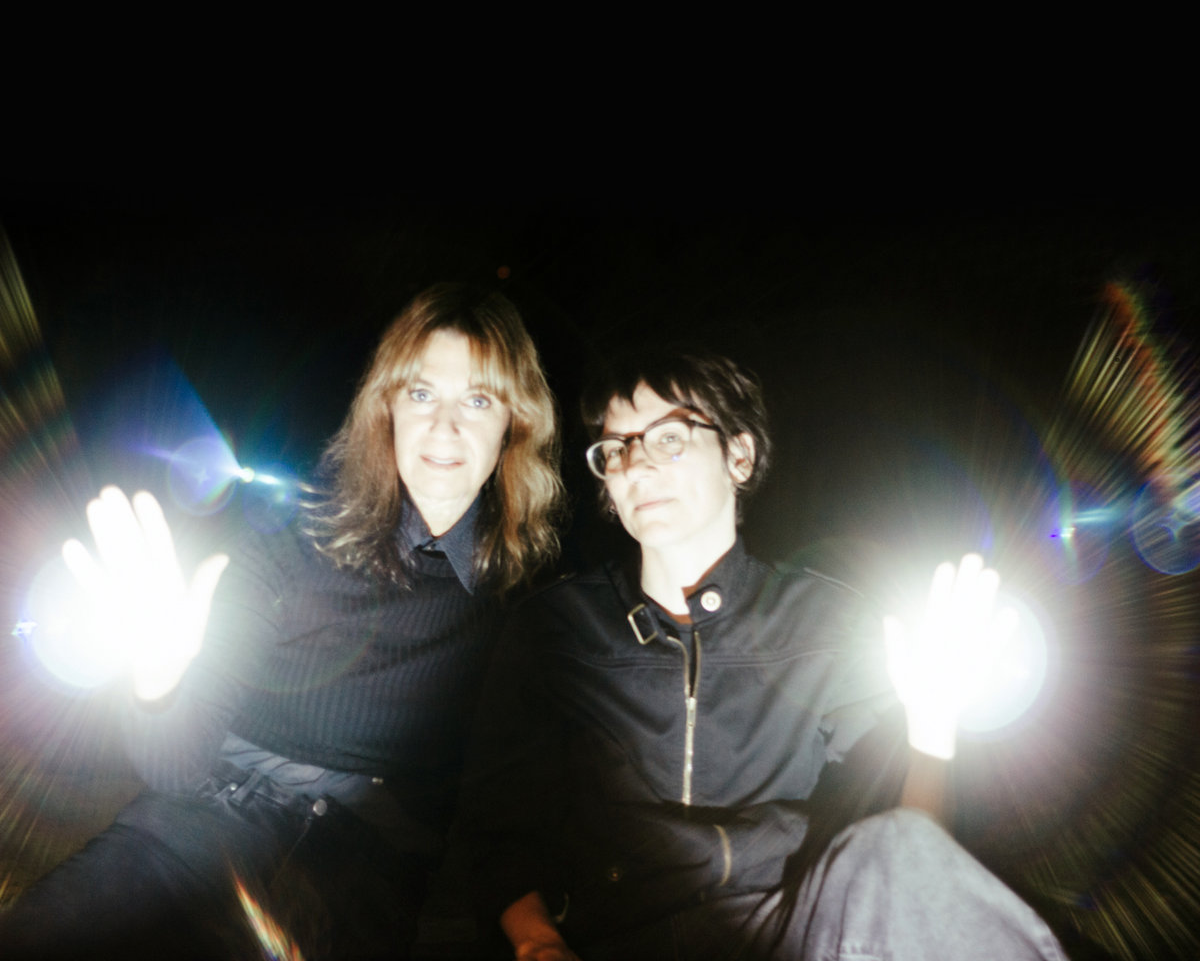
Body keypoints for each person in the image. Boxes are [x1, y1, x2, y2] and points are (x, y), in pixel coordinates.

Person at [0, 283, 563, 961]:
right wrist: (160, 684)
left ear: (513, 423)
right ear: (386, 408)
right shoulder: (291, 537)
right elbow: (175, 769)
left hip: (364, 867)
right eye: (421, 393)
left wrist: (532, 931)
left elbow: (506, 791)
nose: (445, 426)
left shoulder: (522, 592)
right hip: (212, 814)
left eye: (477, 400)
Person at [467, 347, 1067, 960]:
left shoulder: (829, 623)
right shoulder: (556, 626)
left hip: (787, 931)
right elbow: (497, 827)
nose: (637, 464)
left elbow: (912, 861)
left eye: (669, 437)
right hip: (615, 936)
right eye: (617, 449)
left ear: (740, 455)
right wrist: (538, 944)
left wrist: (931, 728)